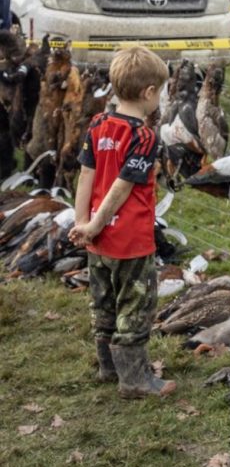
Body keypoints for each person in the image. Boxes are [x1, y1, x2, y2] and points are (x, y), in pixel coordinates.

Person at [69, 45, 176, 399]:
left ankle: (108, 367)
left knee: (103, 299)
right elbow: (122, 186)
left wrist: (82, 223)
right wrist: (97, 224)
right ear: (149, 93)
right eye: (158, 92)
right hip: (130, 240)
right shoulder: (143, 137)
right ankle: (135, 380)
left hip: (97, 240)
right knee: (135, 304)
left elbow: (86, 174)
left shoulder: (99, 125)